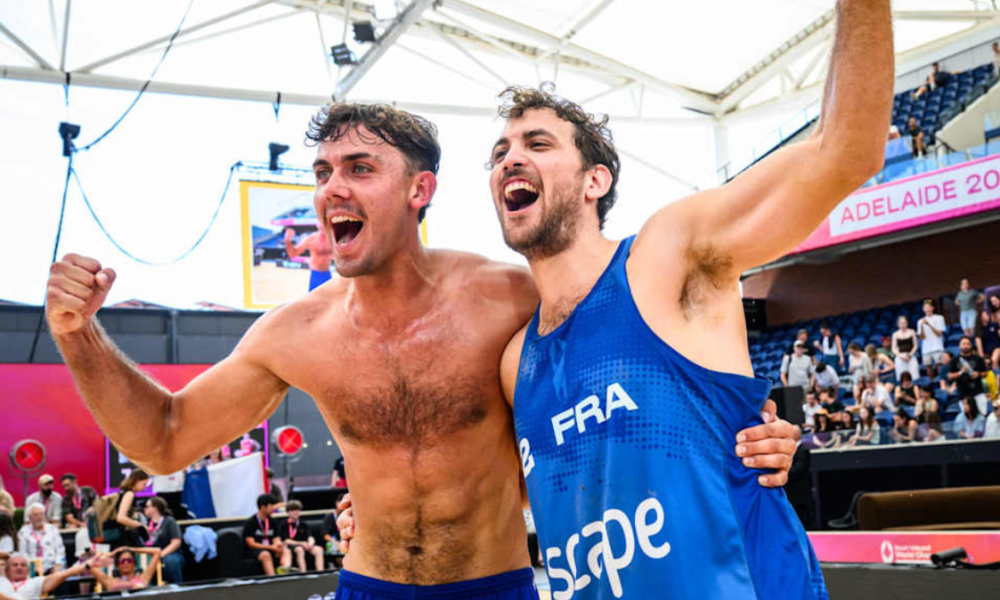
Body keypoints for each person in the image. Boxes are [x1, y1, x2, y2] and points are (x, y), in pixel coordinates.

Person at [45, 103, 799, 598]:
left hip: (496, 585)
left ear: (419, 190)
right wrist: (81, 337)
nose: (330, 190)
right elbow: (165, 440)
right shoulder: (294, 333)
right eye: (322, 173)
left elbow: (653, 350)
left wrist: (759, 430)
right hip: (368, 586)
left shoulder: (509, 298)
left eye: (359, 170)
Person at [494, 3, 889, 596]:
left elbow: (847, 150)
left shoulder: (664, 257)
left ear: (594, 181)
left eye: (537, 143)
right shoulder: (515, 360)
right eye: (498, 153)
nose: (510, 159)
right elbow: (516, 491)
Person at [0, 553, 90, 600]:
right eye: (15, 565)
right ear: (7, 570)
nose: (19, 567)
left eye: (23, 565)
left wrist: (87, 565)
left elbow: (63, 575)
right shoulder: (2, 581)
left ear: (28, 570)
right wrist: (7, 556)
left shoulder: (34, 582)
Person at [142, 497, 184, 583]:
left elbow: (176, 542)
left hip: (168, 553)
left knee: (170, 561)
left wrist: (160, 554)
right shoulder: (145, 524)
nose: (144, 509)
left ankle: (177, 586)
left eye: (147, 506)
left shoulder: (169, 521)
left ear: (155, 508)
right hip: (149, 555)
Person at [107, 469, 151, 549]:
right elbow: (121, 518)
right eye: (144, 484)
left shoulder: (123, 492)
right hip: (122, 537)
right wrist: (142, 526)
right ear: (137, 480)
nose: (144, 488)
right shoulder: (129, 494)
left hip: (118, 536)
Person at [86, 547, 161, 592]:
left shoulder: (143, 578)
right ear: (118, 565)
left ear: (134, 564)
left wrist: (131, 549)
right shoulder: (110, 581)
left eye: (129, 560)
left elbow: (157, 551)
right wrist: (111, 554)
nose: (126, 563)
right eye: (122, 561)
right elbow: (89, 565)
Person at [16, 505, 64, 574]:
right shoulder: (23, 532)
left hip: (52, 567)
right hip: (31, 568)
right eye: (35, 515)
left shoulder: (53, 529)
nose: (39, 517)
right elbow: (22, 553)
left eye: (41, 514)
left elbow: (60, 550)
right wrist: (31, 567)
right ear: (30, 518)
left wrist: (57, 565)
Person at [948, 336, 990, 416]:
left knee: (982, 415)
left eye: (968, 344)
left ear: (971, 345)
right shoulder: (954, 360)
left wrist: (978, 374)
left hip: (978, 392)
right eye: (963, 344)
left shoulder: (978, 359)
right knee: (967, 417)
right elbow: (949, 376)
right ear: (959, 346)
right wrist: (961, 372)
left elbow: (985, 373)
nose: (966, 346)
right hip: (963, 394)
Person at [279, 500, 325, 573]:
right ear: (288, 512)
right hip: (292, 546)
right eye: (292, 510)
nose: (295, 512)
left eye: (297, 510)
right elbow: (286, 540)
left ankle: (321, 572)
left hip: (305, 545)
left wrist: (310, 543)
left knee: (319, 549)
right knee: (299, 549)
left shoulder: (303, 524)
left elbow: (310, 536)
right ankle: (303, 573)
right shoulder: (284, 524)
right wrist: (301, 543)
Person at [284, 227, 335, 291]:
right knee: (313, 299)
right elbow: (293, 254)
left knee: (329, 299)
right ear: (317, 224)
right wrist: (287, 241)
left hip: (327, 274)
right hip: (315, 274)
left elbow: (337, 256)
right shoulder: (312, 238)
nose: (322, 225)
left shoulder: (332, 239)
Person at [244, 494, 283, 576]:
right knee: (266, 554)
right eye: (271, 506)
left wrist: (278, 545)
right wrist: (270, 547)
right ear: (263, 507)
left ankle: (286, 575)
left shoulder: (273, 521)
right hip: (256, 550)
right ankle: (273, 579)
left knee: (286, 551)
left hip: (271, 547)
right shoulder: (251, 522)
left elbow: (276, 538)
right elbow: (251, 544)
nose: (273, 508)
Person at [917, 299, 946, 378]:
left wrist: (928, 324)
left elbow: (939, 334)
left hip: (937, 347)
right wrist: (922, 326)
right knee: (928, 367)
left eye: (928, 307)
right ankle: (932, 383)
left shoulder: (939, 318)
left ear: (932, 308)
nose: (926, 309)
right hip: (926, 348)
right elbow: (922, 337)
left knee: (939, 366)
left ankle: (941, 382)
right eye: (925, 307)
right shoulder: (920, 321)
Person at [892, 316, 920, 382]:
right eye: (901, 323)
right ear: (898, 324)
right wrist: (900, 356)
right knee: (901, 376)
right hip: (900, 357)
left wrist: (910, 354)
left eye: (904, 323)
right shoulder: (895, 334)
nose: (903, 325)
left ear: (907, 323)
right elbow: (894, 348)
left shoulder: (912, 332)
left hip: (910, 355)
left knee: (914, 375)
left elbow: (915, 345)